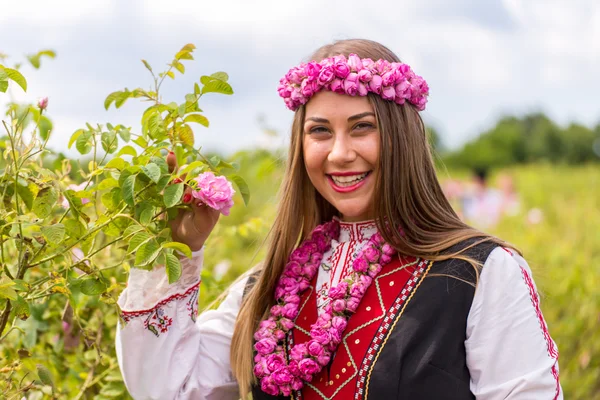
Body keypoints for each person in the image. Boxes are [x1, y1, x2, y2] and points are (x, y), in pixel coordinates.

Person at [115, 39, 562, 400]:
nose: (340, 153)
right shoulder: (268, 283)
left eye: (363, 127)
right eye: (320, 131)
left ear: (401, 136)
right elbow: (169, 389)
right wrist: (176, 250)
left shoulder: (480, 273)